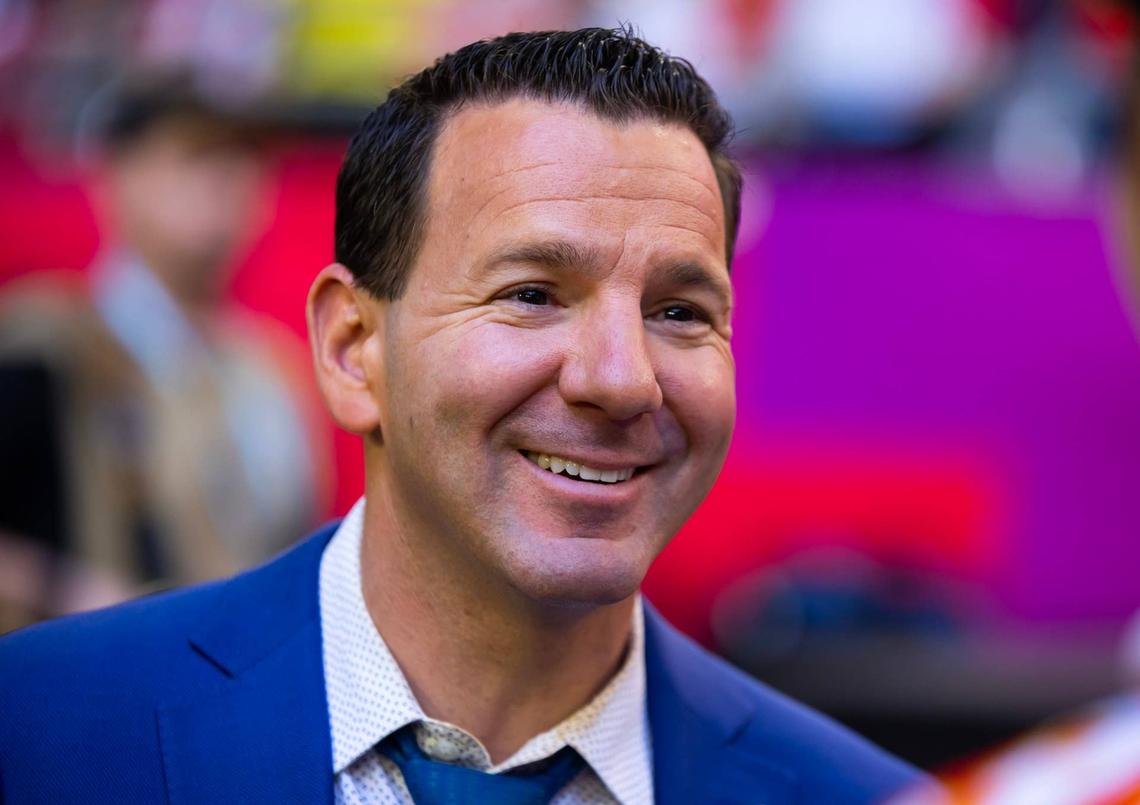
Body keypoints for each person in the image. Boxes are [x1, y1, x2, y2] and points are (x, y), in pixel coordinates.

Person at [0, 28, 924, 804]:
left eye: (679, 311)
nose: (623, 378)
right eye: (531, 293)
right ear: (353, 348)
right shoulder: (41, 729)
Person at [0, 73, 324, 624]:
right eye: (194, 156)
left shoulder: (273, 367)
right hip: (89, 673)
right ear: (119, 175)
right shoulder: (45, 342)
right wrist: (58, 585)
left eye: (245, 160)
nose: (227, 181)